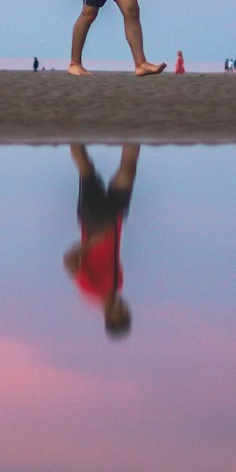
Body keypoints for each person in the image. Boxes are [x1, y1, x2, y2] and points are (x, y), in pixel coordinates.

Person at [63, 143, 138, 338]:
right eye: (126, 312)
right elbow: (111, 252)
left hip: (93, 221)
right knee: (128, 171)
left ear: (108, 316)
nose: (124, 308)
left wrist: (91, 242)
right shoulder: (118, 284)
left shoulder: (91, 290)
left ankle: (70, 129)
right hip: (116, 218)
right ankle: (134, 128)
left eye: (119, 313)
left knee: (86, 169)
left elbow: (69, 260)